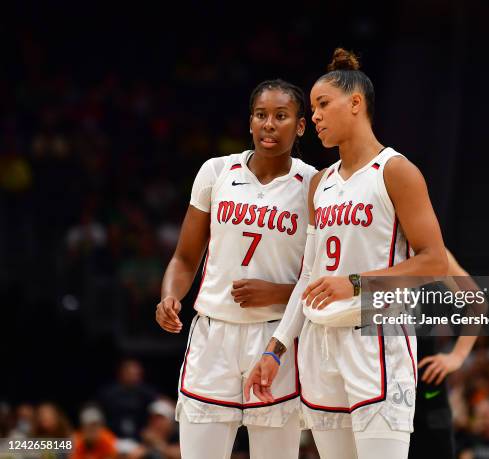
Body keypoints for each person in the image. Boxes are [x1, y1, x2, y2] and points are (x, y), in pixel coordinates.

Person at [245, 49, 448, 458]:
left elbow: (435, 261)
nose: (314, 116)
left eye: (322, 104)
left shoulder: (395, 171)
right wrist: (276, 348)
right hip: (321, 344)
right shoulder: (320, 183)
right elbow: (308, 277)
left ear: (355, 103)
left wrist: (354, 284)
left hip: (376, 337)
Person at [155, 79, 317, 459]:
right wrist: (169, 296)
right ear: (250, 123)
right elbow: (184, 257)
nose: (269, 124)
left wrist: (277, 292)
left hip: (277, 338)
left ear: (300, 126)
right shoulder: (216, 172)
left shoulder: (314, 183)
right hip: (213, 334)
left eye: (281, 116)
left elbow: (321, 273)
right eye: (261, 115)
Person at [409, 249, 479, 459]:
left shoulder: (429, 251)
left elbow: (476, 302)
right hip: (375, 383)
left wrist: (457, 356)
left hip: (425, 387)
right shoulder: (367, 244)